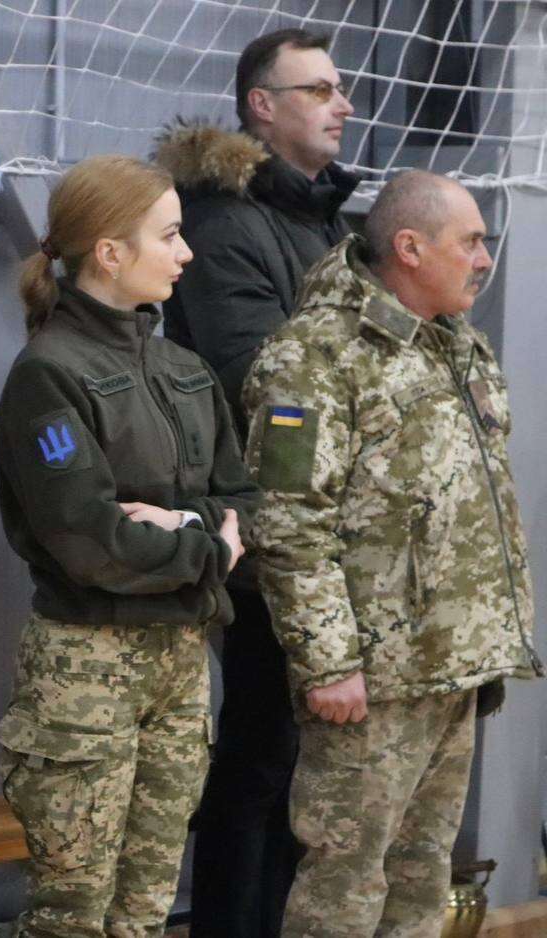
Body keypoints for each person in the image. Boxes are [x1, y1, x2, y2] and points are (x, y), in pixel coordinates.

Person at [243, 170, 542, 937]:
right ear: (410, 247)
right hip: (372, 676)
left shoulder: (454, 344)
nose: (484, 258)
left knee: (420, 881)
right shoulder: (314, 358)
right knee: (343, 886)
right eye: (470, 241)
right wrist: (327, 663)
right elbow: (288, 524)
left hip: (451, 663)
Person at [0, 155, 260, 938]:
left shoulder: (185, 371)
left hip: (178, 662)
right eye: (169, 235)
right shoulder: (49, 374)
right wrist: (209, 546)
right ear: (109, 252)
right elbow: (90, 541)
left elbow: (246, 504)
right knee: (71, 912)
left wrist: (182, 525)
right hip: (86, 667)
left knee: (144, 908)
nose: (187, 253)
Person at [151, 29, 359, 935]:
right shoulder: (226, 222)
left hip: (327, 527)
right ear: (260, 107)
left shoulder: (326, 220)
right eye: (317, 89)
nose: (341, 104)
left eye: (340, 88)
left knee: (307, 767)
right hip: (267, 534)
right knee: (260, 759)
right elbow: (266, 385)